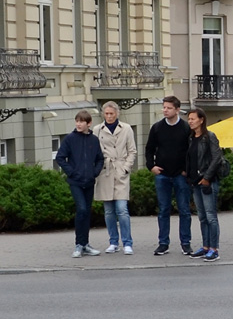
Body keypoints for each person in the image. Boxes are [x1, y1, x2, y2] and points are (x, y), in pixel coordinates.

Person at [145, 95, 192, 256]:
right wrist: (151, 166)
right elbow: (149, 149)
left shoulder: (186, 128)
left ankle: (186, 243)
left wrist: (186, 170)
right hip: (162, 174)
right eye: (164, 107)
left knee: (184, 210)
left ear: (177, 110)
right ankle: (163, 243)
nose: (165, 110)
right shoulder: (157, 128)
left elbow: (190, 151)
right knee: (163, 209)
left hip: (180, 175)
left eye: (169, 108)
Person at [54, 110, 104, 258]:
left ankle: (85, 244)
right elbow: (60, 157)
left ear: (89, 124)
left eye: (82, 122)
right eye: (77, 121)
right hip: (75, 181)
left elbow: (100, 158)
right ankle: (78, 244)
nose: (78, 124)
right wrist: (72, 172)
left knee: (87, 212)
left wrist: (94, 172)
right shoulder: (70, 139)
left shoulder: (94, 140)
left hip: (89, 181)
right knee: (81, 209)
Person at [94, 101, 137, 255]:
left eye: (112, 113)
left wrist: (126, 167)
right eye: (107, 113)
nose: (109, 116)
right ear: (103, 114)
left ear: (117, 113)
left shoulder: (126, 128)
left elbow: (132, 150)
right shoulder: (97, 130)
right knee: (109, 211)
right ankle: (113, 242)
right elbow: (95, 152)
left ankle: (127, 242)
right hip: (105, 172)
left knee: (122, 209)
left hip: (120, 170)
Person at [185, 106, 223, 262]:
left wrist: (207, 177)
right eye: (189, 119)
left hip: (208, 182)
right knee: (201, 217)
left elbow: (216, 158)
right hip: (195, 181)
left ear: (201, 120)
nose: (190, 121)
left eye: (193, 119)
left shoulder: (210, 137)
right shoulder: (191, 137)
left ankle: (214, 249)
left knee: (211, 216)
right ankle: (205, 246)